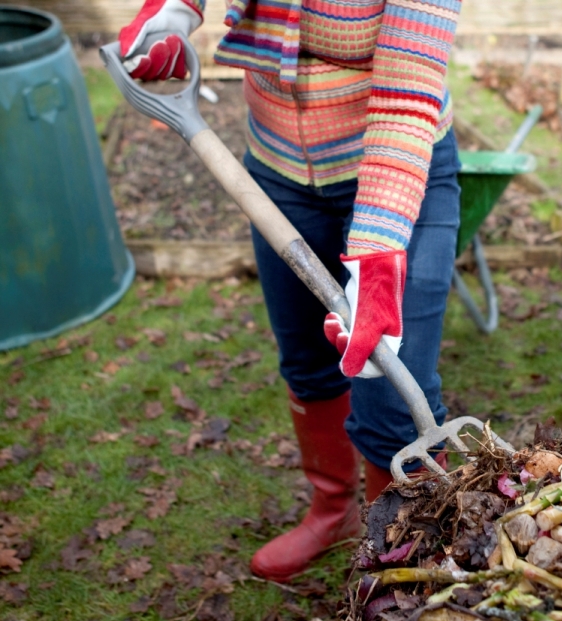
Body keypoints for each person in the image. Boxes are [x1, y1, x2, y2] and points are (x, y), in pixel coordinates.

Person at [118, 0, 462, 582]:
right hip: (277, 170)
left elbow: (407, 90)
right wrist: (174, 12)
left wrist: (377, 253)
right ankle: (334, 513)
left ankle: (396, 552)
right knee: (308, 364)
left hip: (398, 178)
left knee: (390, 396)